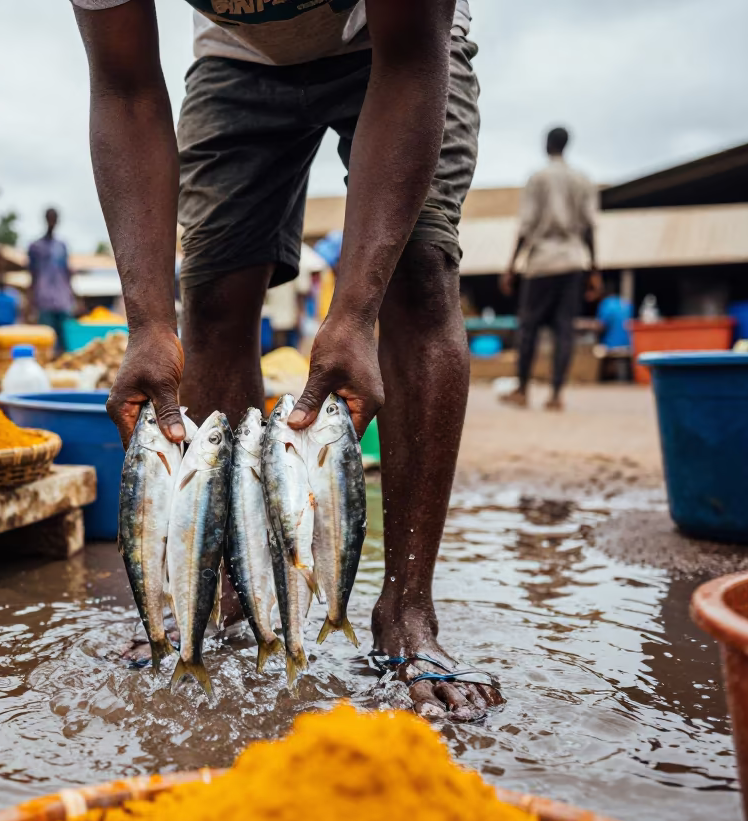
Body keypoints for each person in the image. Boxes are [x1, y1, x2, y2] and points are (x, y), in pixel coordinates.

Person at [72, 0, 501, 720]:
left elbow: (410, 60)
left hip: (396, 45)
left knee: (420, 275)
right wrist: (147, 323)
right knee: (209, 297)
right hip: (236, 59)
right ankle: (226, 592)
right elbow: (125, 88)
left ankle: (407, 609)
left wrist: (355, 311)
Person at [500, 127, 600, 411]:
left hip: (542, 262)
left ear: (547, 145)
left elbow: (527, 224)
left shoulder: (538, 178)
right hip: (572, 261)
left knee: (529, 327)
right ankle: (556, 395)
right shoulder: (581, 179)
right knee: (564, 329)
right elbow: (590, 227)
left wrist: (511, 265)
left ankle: (522, 390)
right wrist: (594, 269)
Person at [28, 208, 75, 351]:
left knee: (66, 342)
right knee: (48, 342)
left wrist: (74, 297)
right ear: (46, 219)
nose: (52, 222)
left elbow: (67, 273)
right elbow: (33, 275)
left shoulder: (62, 246)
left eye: (54, 218)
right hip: (44, 300)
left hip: (63, 300)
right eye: (50, 218)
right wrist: (30, 303)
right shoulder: (35, 247)